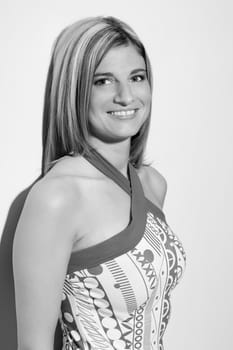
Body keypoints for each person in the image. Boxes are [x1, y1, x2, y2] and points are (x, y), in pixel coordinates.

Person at [12, 16, 186, 350]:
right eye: (103, 81)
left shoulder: (152, 184)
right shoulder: (58, 197)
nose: (126, 96)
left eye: (137, 77)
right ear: (75, 90)